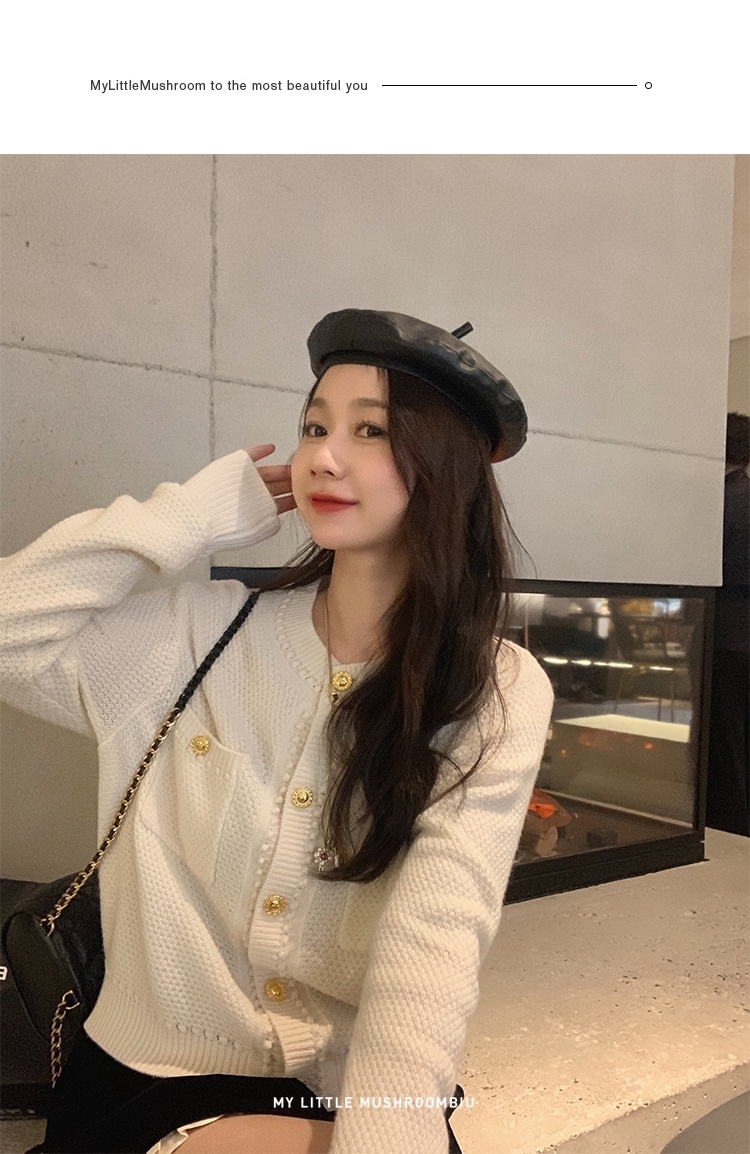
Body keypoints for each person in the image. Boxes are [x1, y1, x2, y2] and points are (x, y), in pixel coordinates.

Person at [0, 310, 554, 1154]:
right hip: (159, 1075)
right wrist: (183, 518)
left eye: (371, 431)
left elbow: (433, 946)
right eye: (315, 427)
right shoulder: (198, 634)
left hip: (354, 1083)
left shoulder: (495, 687)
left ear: (447, 469)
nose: (323, 457)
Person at [705, 411, 749, 837]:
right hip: (742, 639)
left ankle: (729, 823)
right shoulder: (743, 495)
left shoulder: (721, 502)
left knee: (723, 739)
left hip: (723, 636)